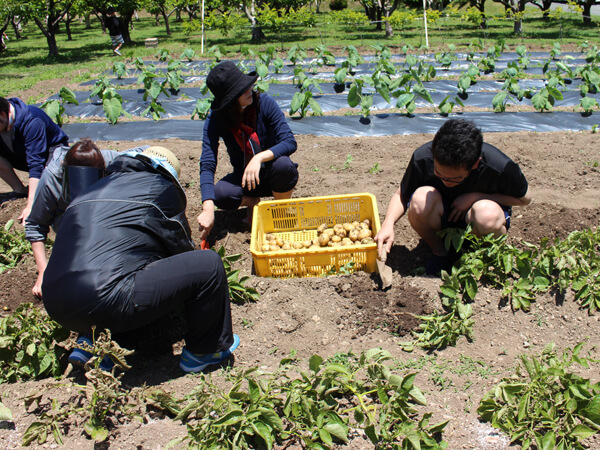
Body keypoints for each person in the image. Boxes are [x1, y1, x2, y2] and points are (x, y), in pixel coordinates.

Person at [42, 147, 239, 373]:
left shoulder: (91, 189)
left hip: (55, 302)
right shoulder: (160, 187)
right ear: (168, 174)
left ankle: (91, 343)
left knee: (120, 272)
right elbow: (181, 250)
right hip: (103, 298)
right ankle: (203, 353)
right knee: (208, 264)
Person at [375, 119, 532, 275]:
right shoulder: (423, 157)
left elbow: (525, 199)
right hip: (442, 221)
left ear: (475, 164)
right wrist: (388, 224)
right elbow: (402, 194)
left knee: (486, 213)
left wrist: (476, 197)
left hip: (479, 222)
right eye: (439, 174)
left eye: (455, 178)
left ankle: (482, 257)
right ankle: (440, 252)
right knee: (420, 199)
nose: (445, 181)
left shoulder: (499, 166)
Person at [25, 139, 146, 299]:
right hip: (68, 220)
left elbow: (146, 150)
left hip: (101, 212)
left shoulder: (112, 161)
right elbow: (35, 225)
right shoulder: (51, 179)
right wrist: (43, 271)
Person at [197, 61, 299, 242]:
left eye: (247, 85)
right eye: (241, 90)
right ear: (229, 100)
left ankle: (281, 210)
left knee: (284, 165)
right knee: (220, 194)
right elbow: (207, 162)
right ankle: (253, 203)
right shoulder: (217, 119)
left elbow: (289, 142)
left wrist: (259, 158)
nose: (249, 90)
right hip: (246, 177)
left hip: (274, 172)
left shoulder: (265, 103)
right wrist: (208, 208)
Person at [0, 96, 70, 222]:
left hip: (50, 155)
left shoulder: (31, 120)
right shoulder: (3, 121)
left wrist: (31, 205)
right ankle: (20, 190)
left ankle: (44, 195)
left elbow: (36, 163)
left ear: (3, 114)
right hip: (20, 154)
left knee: (50, 183)